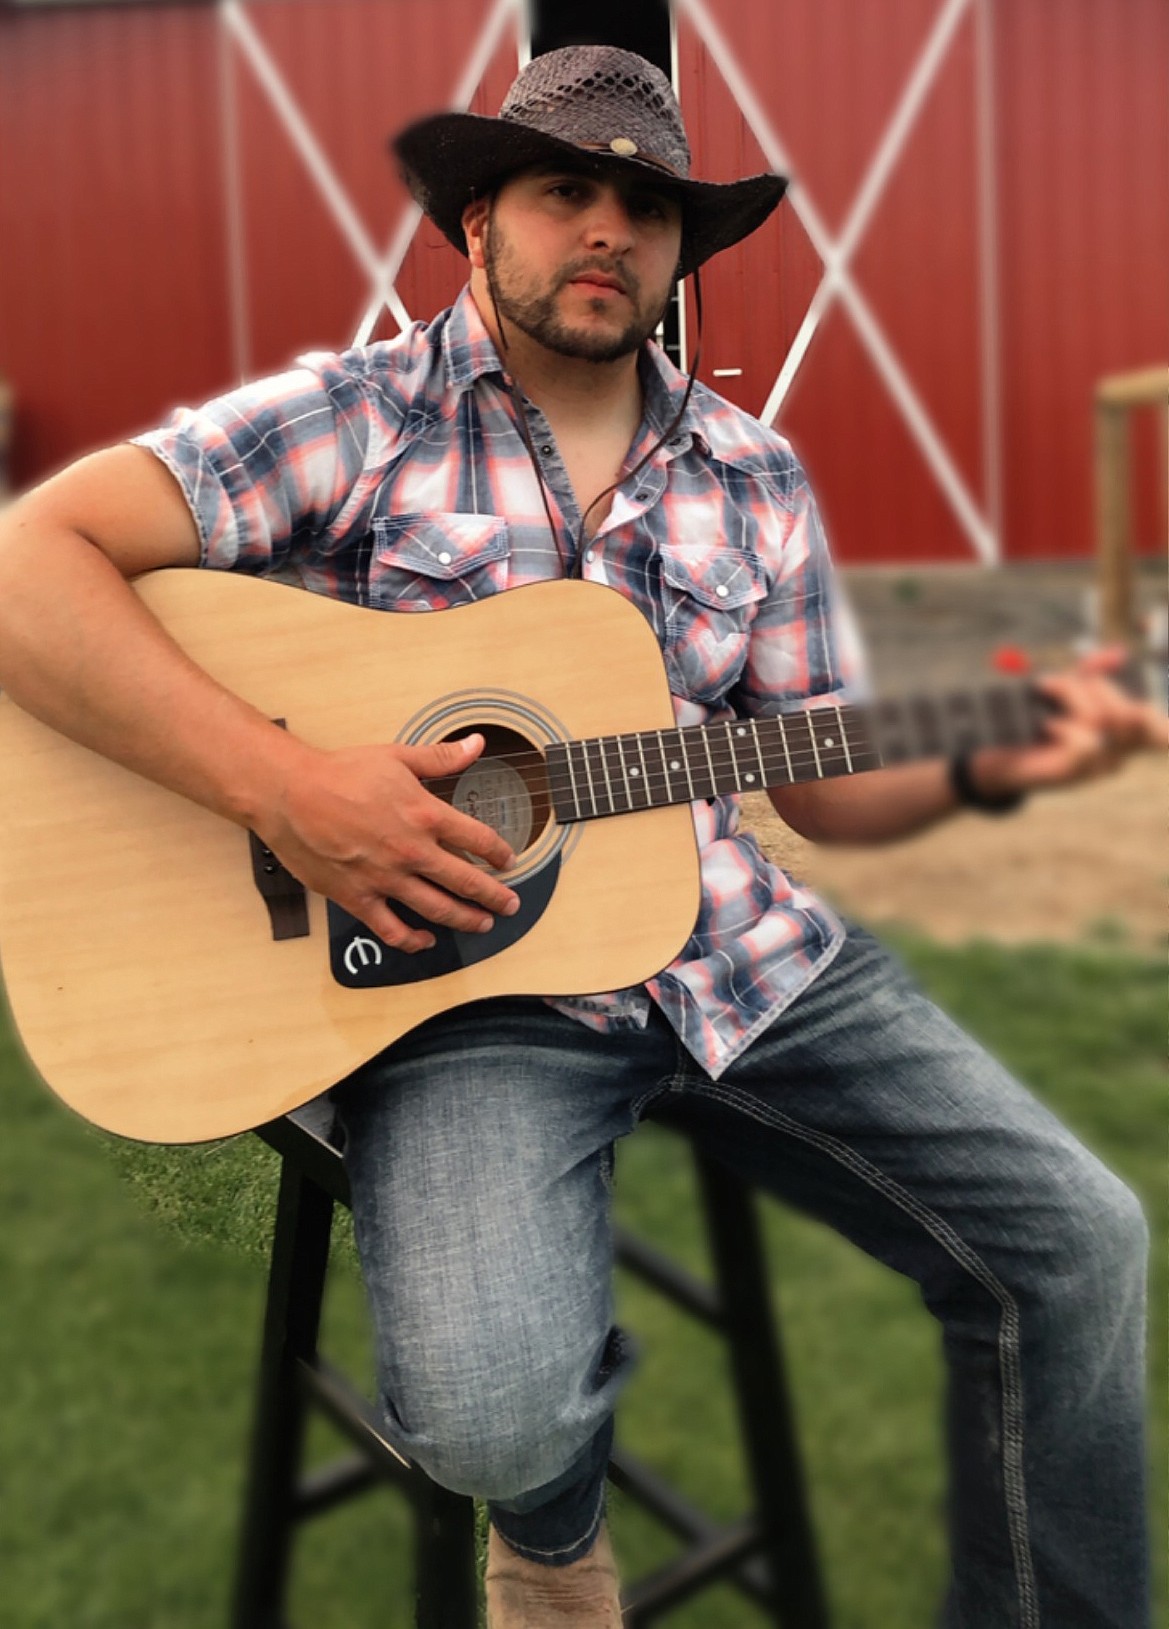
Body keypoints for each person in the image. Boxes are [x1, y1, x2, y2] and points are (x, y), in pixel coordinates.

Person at [0, 46, 1156, 1629]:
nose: (607, 228)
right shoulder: (352, 420)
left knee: (1079, 1242)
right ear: (478, 221)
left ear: (683, 249)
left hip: (737, 961)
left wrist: (989, 759)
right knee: (489, 1411)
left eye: (646, 205)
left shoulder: (751, 476)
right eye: (565, 191)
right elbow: (26, 566)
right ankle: (548, 1534)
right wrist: (282, 787)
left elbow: (816, 781)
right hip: (465, 997)